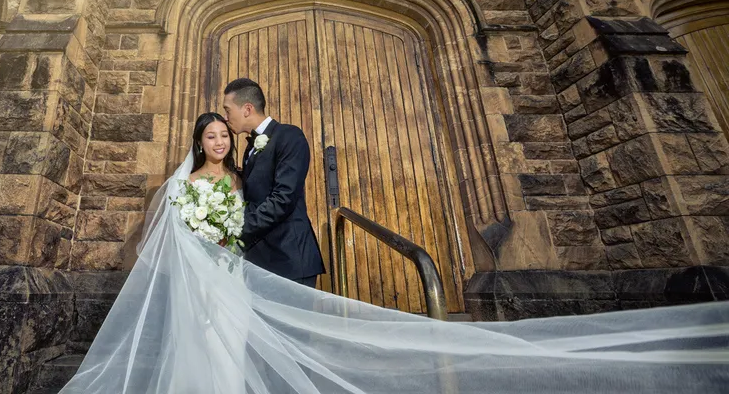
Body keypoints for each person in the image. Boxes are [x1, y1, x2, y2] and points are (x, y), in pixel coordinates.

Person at [59, 107, 729, 393]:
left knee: (234, 347)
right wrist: (213, 242)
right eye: (208, 135)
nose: (216, 142)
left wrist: (235, 240)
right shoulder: (193, 183)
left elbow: (250, 214)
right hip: (209, 275)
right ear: (196, 141)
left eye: (221, 135)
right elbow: (186, 228)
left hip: (238, 275)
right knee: (201, 345)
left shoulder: (239, 174)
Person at [222, 78, 325, 287]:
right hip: (260, 261)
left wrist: (235, 231)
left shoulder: (289, 136)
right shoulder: (250, 147)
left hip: (289, 259)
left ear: (247, 109)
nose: (226, 117)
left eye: (228, 110)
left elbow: (283, 198)